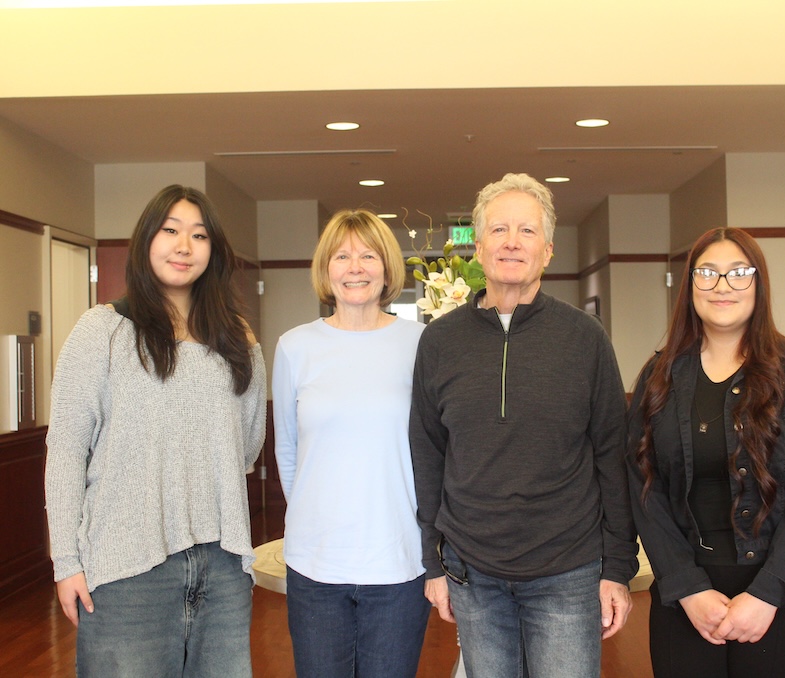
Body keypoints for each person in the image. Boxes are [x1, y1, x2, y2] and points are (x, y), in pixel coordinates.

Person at [410, 173, 638, 678]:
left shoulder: (585, 338)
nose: (512, 241)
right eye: (498, 229)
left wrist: (618, 567)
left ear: (549, 250)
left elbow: (613, 455)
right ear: (479, 247)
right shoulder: (439, 343)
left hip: (569, 571)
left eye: (527, 231)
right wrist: (434, 562)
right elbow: (427, 456)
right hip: (471, 572)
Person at [45, 184, 267, 676]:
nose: (183, 246)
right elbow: (65, 451)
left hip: (224, 567)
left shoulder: (239, 342)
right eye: (170, 230)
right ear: (146, 240)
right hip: (127, 570)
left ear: (214, 251)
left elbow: (245, 446)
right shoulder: (101, 331)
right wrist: (66, 561)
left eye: (199, 235)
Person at [626, 227, 785, 677]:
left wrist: (768, 592)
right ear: (689, 286)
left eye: (737, 273)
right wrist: (687, 587)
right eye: (706, 273)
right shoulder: (659, 376)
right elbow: (642, 487)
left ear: (759, 284)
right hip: (687, 595)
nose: (722, 286)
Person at [272, 209, 430, 678]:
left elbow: (436, 448)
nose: (355, 267)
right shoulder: (295, 347)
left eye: (368, 255)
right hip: (315, 563)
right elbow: (287, 448)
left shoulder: (422, 342)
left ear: (387, 269)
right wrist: (311, 517)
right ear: (326, 268)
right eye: (342, 256)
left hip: (400, 561)